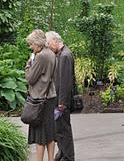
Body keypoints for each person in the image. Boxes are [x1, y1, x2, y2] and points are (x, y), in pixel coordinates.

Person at [25, 29, 57, 161]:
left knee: (40, 136)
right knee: (50, 133)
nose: (30, 47)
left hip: (40, 99)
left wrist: (28, 64)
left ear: (37, 43)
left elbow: (30, 78)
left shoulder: (40, 56)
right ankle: (51, 159)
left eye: (31, 44)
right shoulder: (51, 53)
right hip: (50, 97)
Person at [46, 31, 76, 161]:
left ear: (55, 40)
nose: (48, 46)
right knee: (60, 128)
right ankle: (63, 153)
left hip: (62, 101)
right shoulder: (61, 54)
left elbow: (65, 82)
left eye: (48, 43)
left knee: (64, 129)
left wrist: (62, 103)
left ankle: (68, 156)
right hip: (59, 99)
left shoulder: (65, 56)